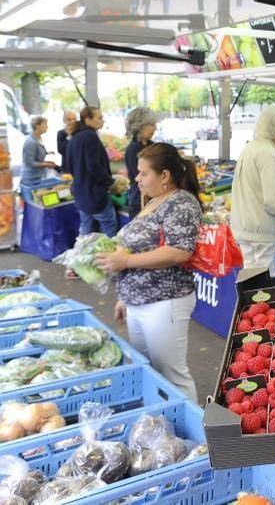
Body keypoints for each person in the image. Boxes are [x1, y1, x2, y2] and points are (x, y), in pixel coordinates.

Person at [94, 142, 202, 401]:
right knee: (150, 372)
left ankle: (198, 436)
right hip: (139, 303)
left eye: (144, 173)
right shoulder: (154, 201)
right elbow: (136, 249)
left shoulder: (182, 203)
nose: (136, 178)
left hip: (165, 302)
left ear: (165, 176)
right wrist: (125, 296)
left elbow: (180, 251)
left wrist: (125, 263)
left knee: (173, 376)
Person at [231, 105, 275, 270]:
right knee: (264, 287)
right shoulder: (269, 155)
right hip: (262, 236)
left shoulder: (251, 148)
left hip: (249, 231)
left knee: (253, 282)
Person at [64, 106, 119, 237]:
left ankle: (82, 255)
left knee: (86, 230)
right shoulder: (90, 136)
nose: (102, 121)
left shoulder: (75, 137)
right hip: (95, 193)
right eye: (99, 118)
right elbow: (93, 166)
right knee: (109, 226)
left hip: (81, 192)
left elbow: (69, 165)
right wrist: (110, 183)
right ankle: (110, 257)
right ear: (87, 120)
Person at [124, 107, 158, 218]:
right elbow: (141, 177)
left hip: (152, 198)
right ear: (140, 127)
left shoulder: (151, 145)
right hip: (140, 201)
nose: (155, 128)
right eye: (152, 125)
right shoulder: (133, 149)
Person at [21, 116, 58, 187]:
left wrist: (47, 153)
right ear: (37, 126)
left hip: (38, 176)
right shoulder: (30, 142)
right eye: (45, 124)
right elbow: (30, 163)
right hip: (31, 179)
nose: (47, 126)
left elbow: (37, 152)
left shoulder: (38, 137)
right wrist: (46, 164)